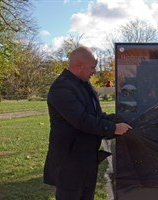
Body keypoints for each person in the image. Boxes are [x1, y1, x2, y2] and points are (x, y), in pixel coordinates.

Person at [43, 46, 132, 200]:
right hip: (69, 164)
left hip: (87, 160)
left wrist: (122, 120)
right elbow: (81, 120)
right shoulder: (61, 88)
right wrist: (114, 128)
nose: (94, 72)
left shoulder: (84, 85)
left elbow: (97, 116)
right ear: (79, 65)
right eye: (92, 67)